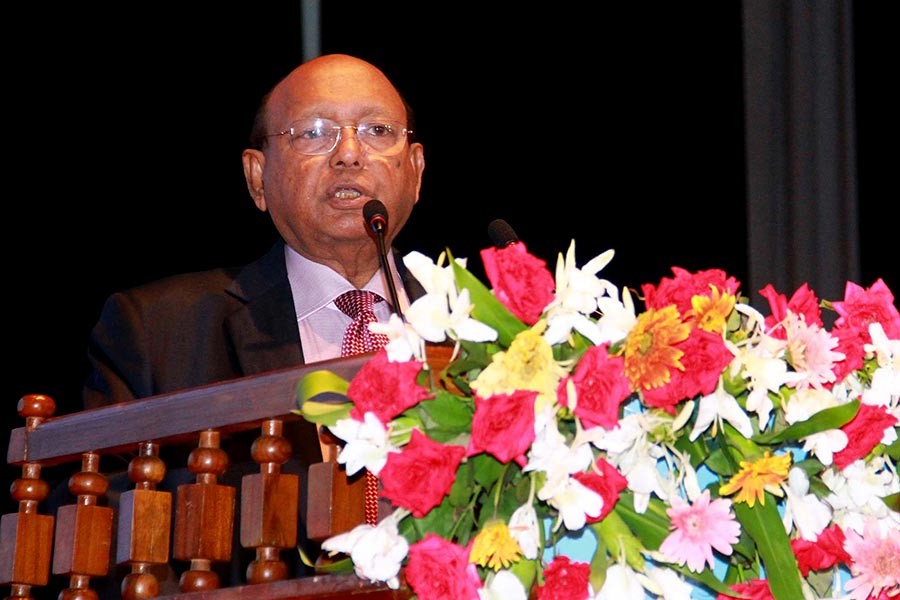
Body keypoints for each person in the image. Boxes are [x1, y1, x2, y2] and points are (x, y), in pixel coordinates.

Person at [76, 54, 427, 595]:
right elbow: (98, 538)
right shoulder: (159, 331)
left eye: (378, 130)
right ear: (257, 177)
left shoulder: (491, 336)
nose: (351, 154)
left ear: (416, 170)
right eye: (314, 133)